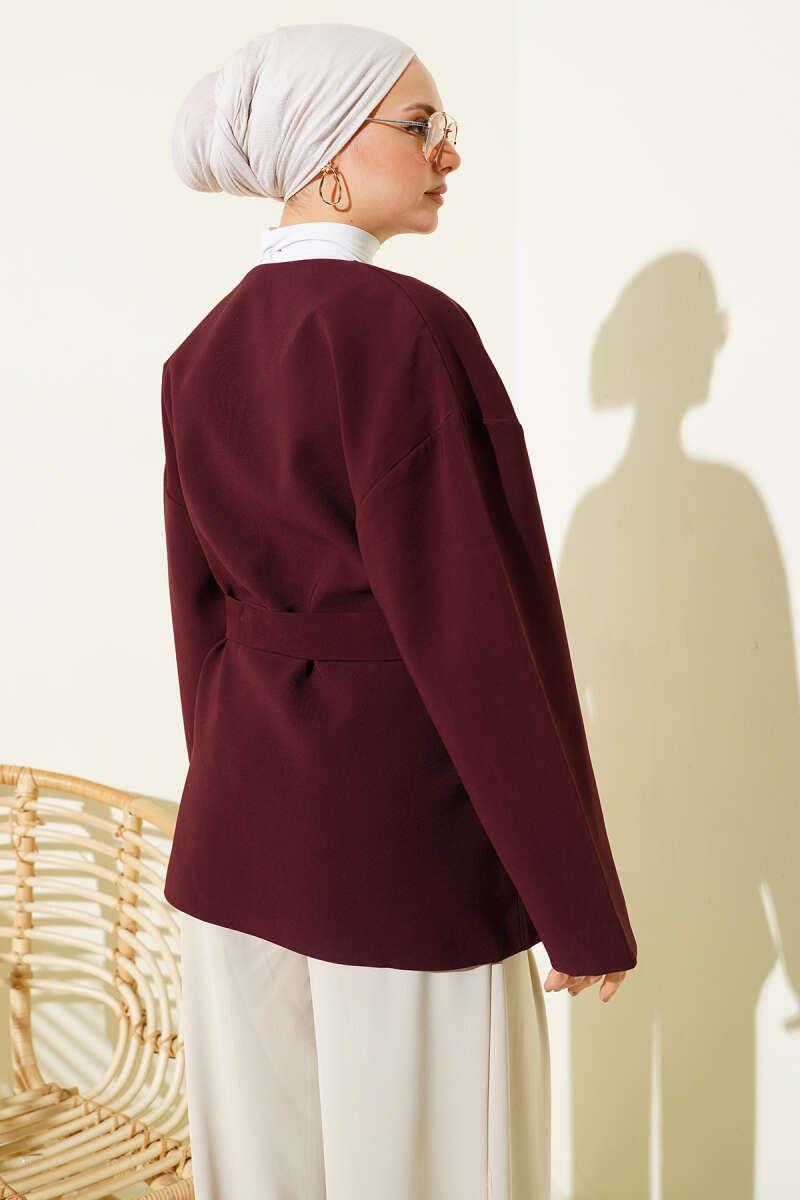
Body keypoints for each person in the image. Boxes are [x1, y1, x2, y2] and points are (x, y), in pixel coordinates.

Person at [163, 21, 637, 1200]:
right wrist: (575, 905)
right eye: (420, 126)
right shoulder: (409, 331)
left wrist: (235, 796)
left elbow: (197, 626)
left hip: (232, 841)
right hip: (399, 848)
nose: (448, 154)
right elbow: (480, 642)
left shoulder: (197, 352)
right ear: (328, 152)